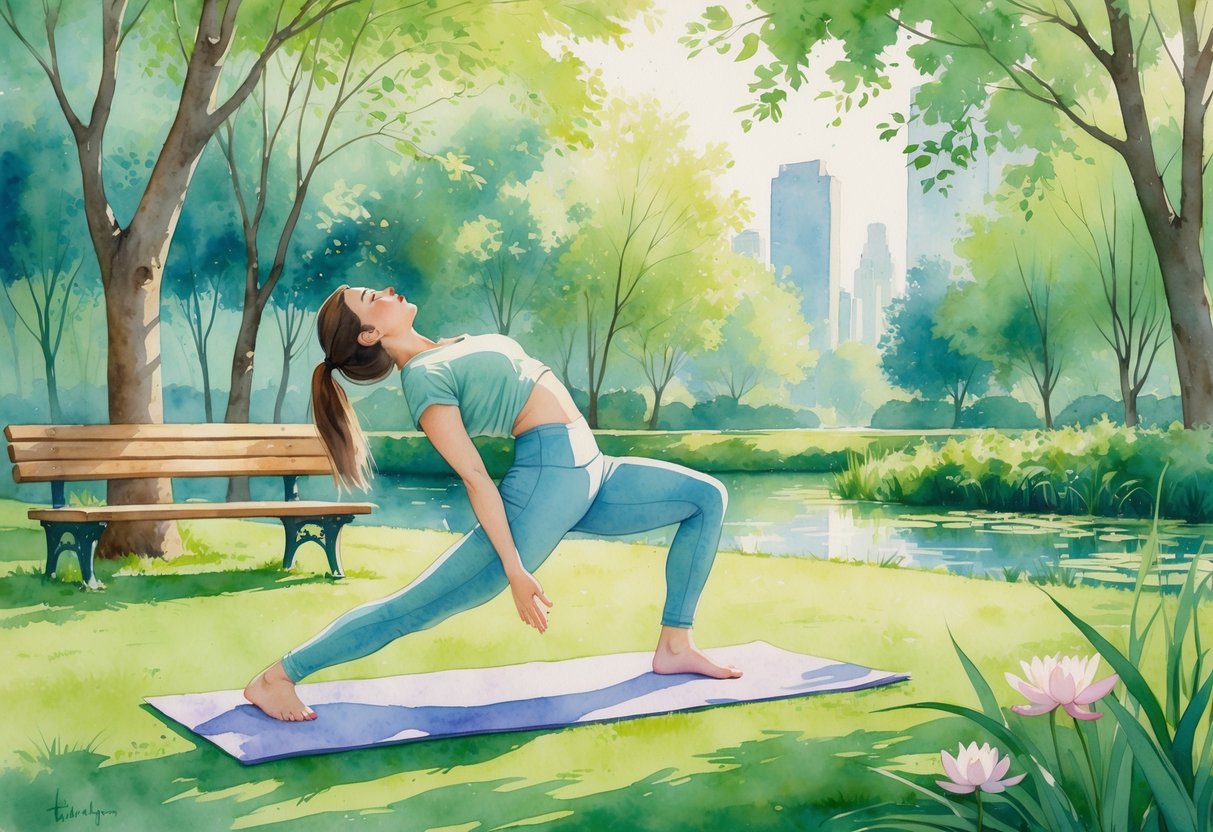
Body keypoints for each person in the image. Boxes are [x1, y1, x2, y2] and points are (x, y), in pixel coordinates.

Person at [244, 284, 741, 721]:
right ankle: (278, 677)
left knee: (706, 498)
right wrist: (514, 569)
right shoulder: (423, 377)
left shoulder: (448, 346)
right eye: (372, 299)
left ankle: (675, 645)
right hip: (547, 483)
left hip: (593, 468)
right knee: (414, 607)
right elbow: (475, 476)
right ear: (369, 335)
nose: (387, 290)